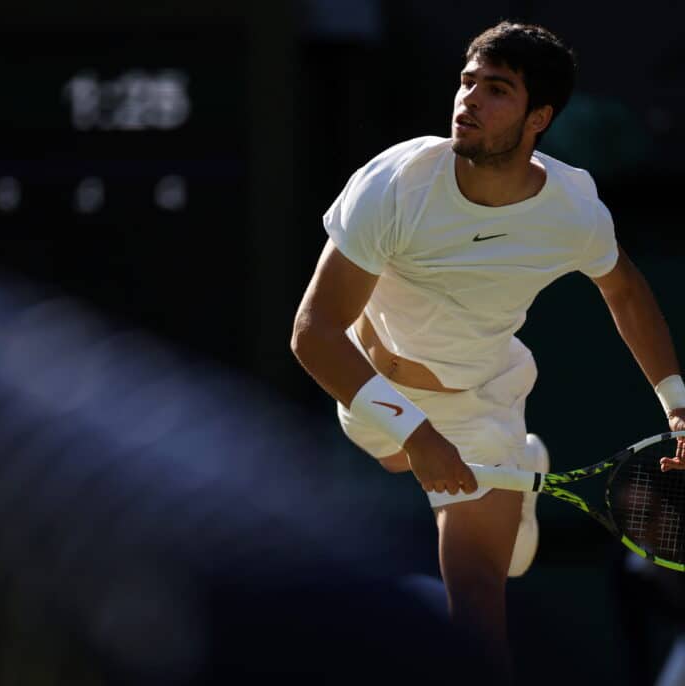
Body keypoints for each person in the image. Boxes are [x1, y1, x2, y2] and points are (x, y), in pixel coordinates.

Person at [290, 20, 685, 680]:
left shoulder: (571, 207)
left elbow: (624, 289)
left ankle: (507, 481)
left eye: (496, 89)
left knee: (476, 605)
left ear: (539, 118)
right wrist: (418, 436)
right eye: (467, 82)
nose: (469, 99)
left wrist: (676, 404)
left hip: (478, 406)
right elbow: (314, 333)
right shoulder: (396, 183)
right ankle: (514, 482)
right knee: (394, 460)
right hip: (371, 392)